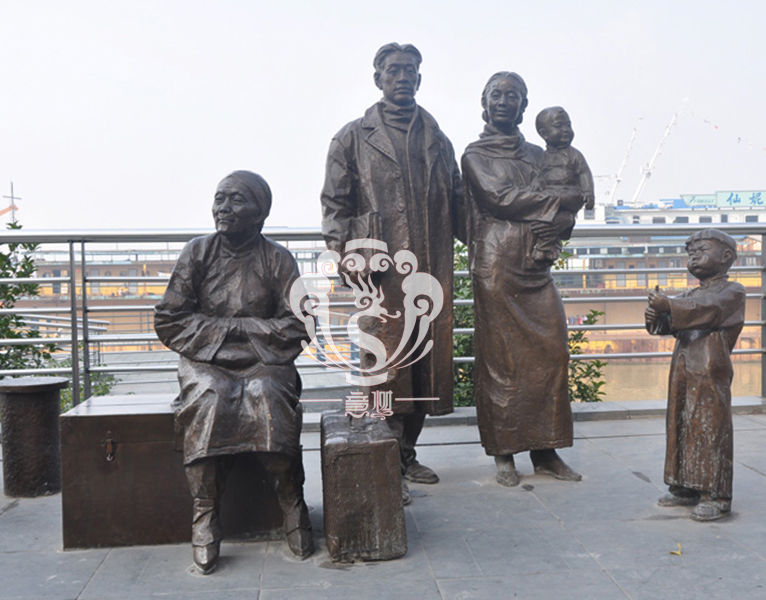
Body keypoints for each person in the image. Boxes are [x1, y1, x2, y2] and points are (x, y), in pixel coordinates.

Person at [320, 43, 462, 504]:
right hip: (380, 274)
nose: (402, 77)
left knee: (423, 365)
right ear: (378, 78)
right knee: (383, 366)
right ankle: (384, 458)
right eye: (394, 70)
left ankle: (405, 453)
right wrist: (345, 257)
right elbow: (335, 206)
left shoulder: (437, 139)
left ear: (420, 78)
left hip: (431, 268)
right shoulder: (351, 137)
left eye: (410, 71)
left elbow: (460, 202)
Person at [154, 171, 313, 574]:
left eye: (236, 200)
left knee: (267, 395)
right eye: (219, 199)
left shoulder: (277, 258)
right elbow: (170, 318)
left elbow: (299, 323)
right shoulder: (197, 253)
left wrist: (242, 332)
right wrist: (234, 332)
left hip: (265, 360)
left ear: (259, 213)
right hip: (207, 360)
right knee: (211, 396)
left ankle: (291, 502)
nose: (224, 208)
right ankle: (205, 512)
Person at [461, 71, 583, 487]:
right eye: (496, 95)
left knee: (552, 353)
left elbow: (570, 195)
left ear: (524, 106)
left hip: (536, 264)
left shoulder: (540, 154)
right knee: (502, 361)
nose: (503, 101)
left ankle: (546, 450)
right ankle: (504, 452)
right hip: (497, 263)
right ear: (485, 103)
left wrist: (564, 213)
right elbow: (501, 199)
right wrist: (561, 202)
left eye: (512, 95)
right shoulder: (475, 155)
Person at [646, 229, 745, 521]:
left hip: (710, 365)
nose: (694, 257)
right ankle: (683, 485)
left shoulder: (733, 291)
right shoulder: (689, 294)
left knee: (710, 425)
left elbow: (709, 311)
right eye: (691, 253)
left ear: (725, 256)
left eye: (702, 251)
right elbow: (671, 324)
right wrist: (657, 316)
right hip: (683, 363)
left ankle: (715, 495)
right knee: (679, 421)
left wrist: (670, 306)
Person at [530, 106, 594, 266]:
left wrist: (588, 192)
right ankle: (547, 248)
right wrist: (536, 183)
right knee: (547, 223)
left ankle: (546, 248)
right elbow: (537, 175)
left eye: (568, 125)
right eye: (559, 126)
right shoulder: (542, 158)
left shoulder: (574, 154)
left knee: (558, 216)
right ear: (544, 133)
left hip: (569, 195)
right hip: (550, 200)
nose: (565, 130)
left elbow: (584, 173)